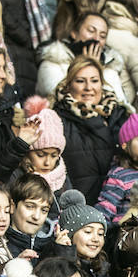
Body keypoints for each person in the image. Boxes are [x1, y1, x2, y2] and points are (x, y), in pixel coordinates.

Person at [53, 54, 130, 205]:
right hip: (80, 210)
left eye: (94, 81)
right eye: (80, 81)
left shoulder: (121, 116)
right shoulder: (57, 119)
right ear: (69, 85)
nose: (89, 88)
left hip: (118, 208)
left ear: (102, 84)